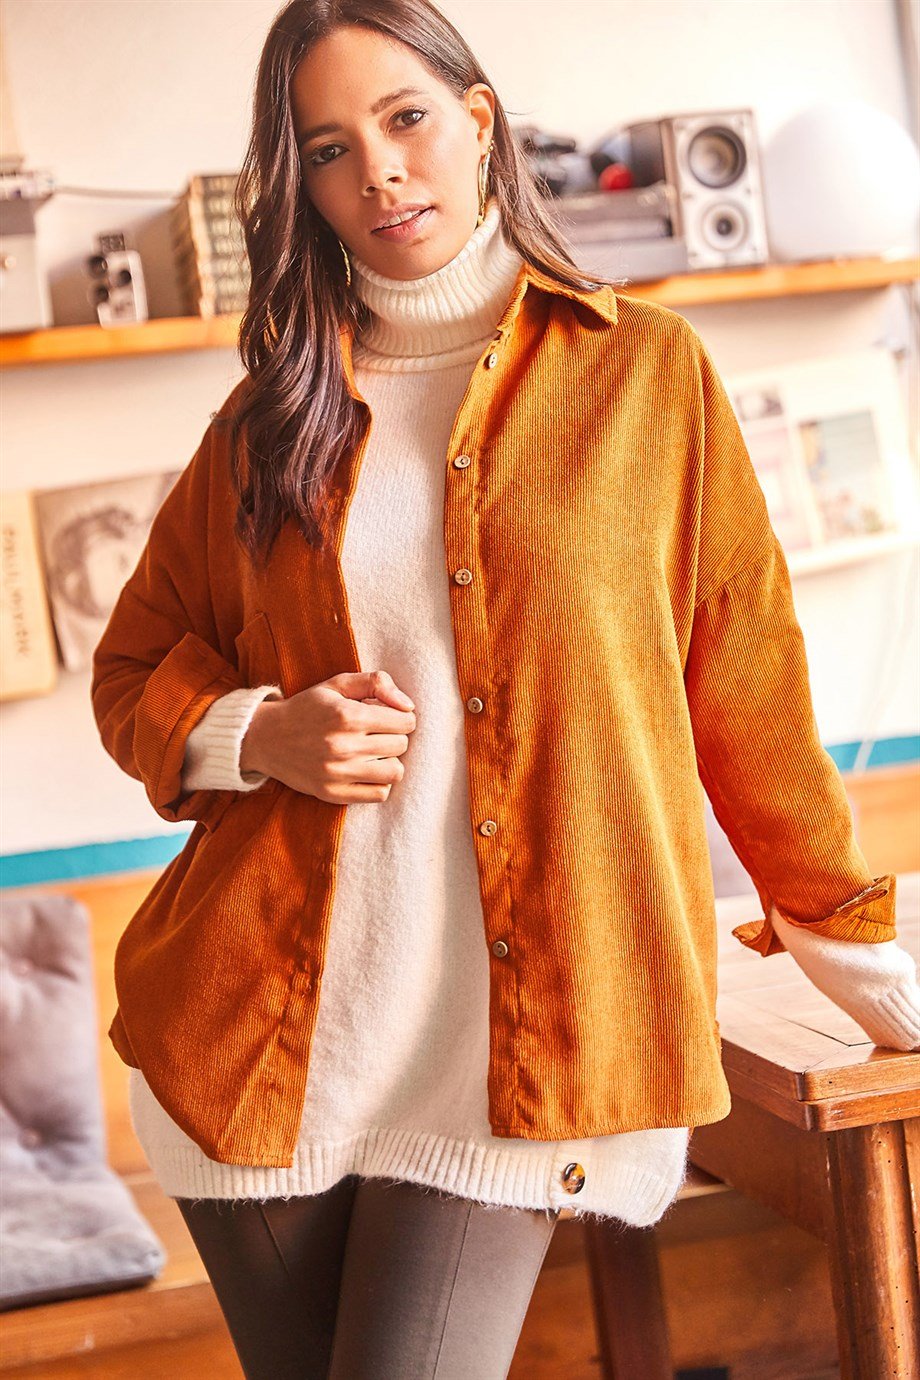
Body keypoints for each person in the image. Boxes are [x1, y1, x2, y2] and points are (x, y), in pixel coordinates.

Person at [90, 2, 920, 1376]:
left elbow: (750, 691)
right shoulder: (266, 424)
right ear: (303, 185)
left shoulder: (645, 377)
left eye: (407, 120)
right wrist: (261, 735)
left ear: (477, 124)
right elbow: (133, 670)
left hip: (520, 1065)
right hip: (255, 1042)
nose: (382, 175)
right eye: (330, 149)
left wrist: (869, 968)